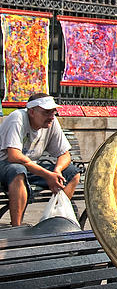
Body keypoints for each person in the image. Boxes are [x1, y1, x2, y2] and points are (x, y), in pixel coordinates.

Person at [0, 93, 81, 226]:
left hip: (30, 167)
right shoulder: (18, 118)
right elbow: (14, 156)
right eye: (46, 112)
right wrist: (47, 175)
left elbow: (65, 154)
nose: (51, 117)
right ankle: (16, 226)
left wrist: (57, 171)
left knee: (72, 173)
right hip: (5, 165)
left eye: (53, 112)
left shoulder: (52, 122)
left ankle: (56, 220)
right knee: (18, 170)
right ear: (32, 112)